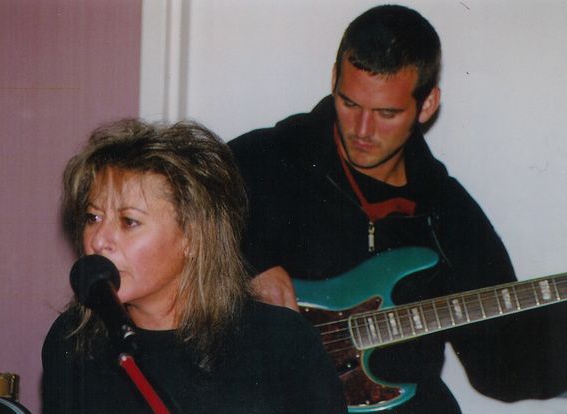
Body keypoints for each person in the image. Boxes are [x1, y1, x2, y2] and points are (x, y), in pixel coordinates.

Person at [229, 4, 567, 414]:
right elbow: (170, 225)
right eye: (350, 104)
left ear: (427, 105)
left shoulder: (449, 216)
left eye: (386, 113)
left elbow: (502, 367)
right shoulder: (267, 157)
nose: (362, 130)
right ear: (334, 79)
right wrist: (252, 261)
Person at [41, 119, 346, 414]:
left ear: (194, 237)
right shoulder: (72, 340)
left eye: (128, 221)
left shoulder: (283, 341)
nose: (98, 240)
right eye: (93, 217)